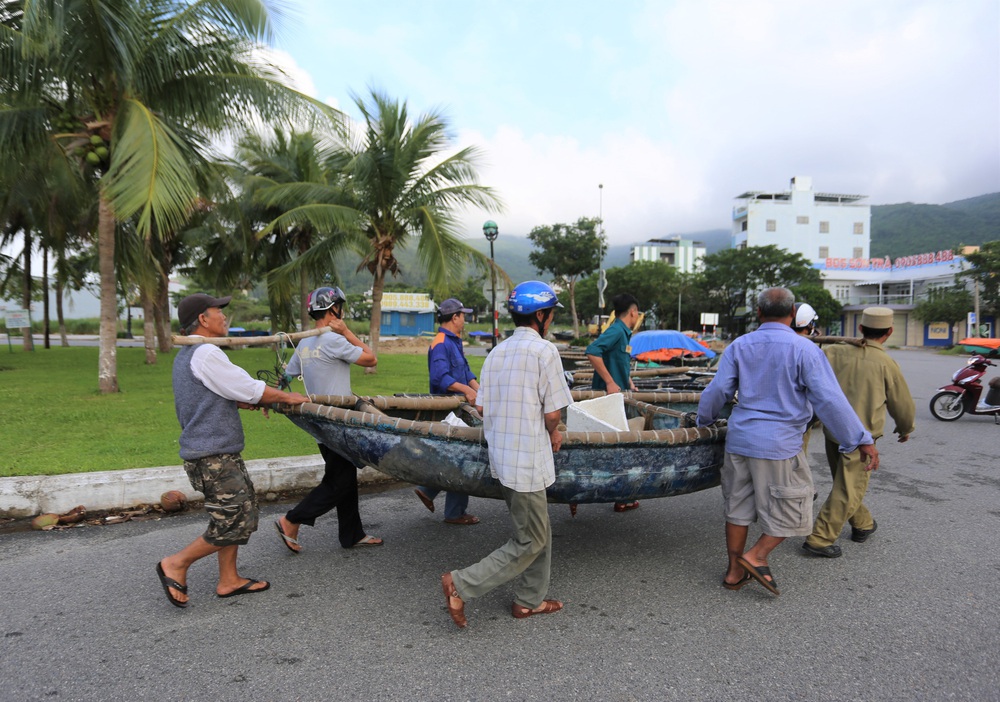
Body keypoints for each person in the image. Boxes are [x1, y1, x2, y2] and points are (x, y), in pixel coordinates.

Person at [696, 287, 877, 596]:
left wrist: (703, 420)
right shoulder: (805, 349)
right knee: (797, 506)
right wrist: (860, 440)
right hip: (779, 446)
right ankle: (756, 555)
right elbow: (829, 400)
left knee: (737, 508)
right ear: (793, 314)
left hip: (739, 441)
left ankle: (734, 572)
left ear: (758, 313)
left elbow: (718, 391)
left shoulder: (739, 346)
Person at [156, 293, 310, 608]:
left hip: (216, 452)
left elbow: (221, 393)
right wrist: (293, 398)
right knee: (234, 520)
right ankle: (176, 563)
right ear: (203, 319)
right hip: (212, 456)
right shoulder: (205, 352)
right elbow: (247, 386)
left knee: (238, 511)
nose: (223, 317)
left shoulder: (188, 355)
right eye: (218, 312)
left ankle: (229, 579)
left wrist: (242, 401)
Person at [440, 281, 574, 628]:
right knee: (530, 539)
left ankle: (529, 600)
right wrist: (554, 430)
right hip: (527, 458)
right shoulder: (545, 352)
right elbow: (553, 415)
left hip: (503, 455)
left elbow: (481, 404)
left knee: (537, 527)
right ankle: (462, 583)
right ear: (541, 315)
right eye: (551, 314)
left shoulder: (497, 352)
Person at [274, 286, 384, 554]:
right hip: (338, 422)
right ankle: (291, 520)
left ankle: (352, 534)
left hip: (318, 423)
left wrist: (274, 396)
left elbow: (287, 376)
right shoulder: (334, 340)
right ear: (334, 309)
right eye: (341, 307)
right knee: (340, 482)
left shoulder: (304, 343)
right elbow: (371, 359)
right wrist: (346, 332)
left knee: (342, 476)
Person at [802, 307, 915, 558]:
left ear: (861, 328)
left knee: (846, 484)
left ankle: (862, 523)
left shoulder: (833, 351)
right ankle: (820, 539)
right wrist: (905, 428)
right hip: (862, 438)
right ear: (889, 332)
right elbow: (902, 403)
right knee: (849, 487)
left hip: (833, 430)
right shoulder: (886, 362)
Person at [414, 298, 481, 525]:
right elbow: (440, 377)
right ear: (455, 317)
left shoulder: (454, 341)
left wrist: (480, 391)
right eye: (464, 315)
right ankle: (451, 509)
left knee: (458, 456)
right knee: (462, 456)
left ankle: (434, 495)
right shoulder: (441, 342)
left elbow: (467, 372)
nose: (466, 319)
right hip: (447, 410)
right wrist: (465, 390)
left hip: (460, 408)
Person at [586, 293, 641, 512]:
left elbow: (619, 360)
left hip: (620, 396)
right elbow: (592, 351)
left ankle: (622, 494)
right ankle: (620, 495)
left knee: (621, 445)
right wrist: (609, 382)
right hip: (609, 400)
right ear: (633, 312)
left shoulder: (623, 333)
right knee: (620, 447)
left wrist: (628, 381)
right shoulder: (618, 331)